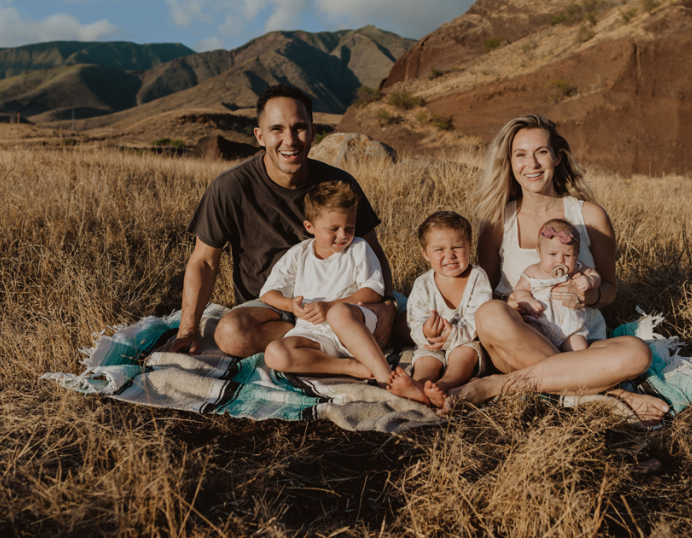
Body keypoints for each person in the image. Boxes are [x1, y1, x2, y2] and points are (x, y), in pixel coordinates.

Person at [442, 114, 669, 425]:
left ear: (558, 157)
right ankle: (612, 393)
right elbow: (485, 290)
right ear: (509, 162)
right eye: (520, 154)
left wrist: (587, 297)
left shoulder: (589, 215)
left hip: (580, 337)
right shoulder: (497, 222)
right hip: (522, 337)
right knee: (490, 314)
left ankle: (499, 386)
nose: (531, 164)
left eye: (541, 152)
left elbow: (610, 291)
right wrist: (511, 303)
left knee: (637, 353)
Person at [163, 84, 397, 357]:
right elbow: (203, 262)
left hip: (341, 302)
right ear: (260, 136)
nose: (290, 139)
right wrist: (188, 331)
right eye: (277, 129)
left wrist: (388, 304)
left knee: (399, 323)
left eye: (298, 127)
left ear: (313, 132)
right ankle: (335, 343)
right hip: (270, 310)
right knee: (230, 334)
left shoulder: (339, 185)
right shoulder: (230, 187)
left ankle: (325, 342)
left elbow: (373, 250)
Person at [260, 181, 393, 382]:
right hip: (314, 333)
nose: (343, 235)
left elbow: (374, 291)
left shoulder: (359, 248)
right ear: (309, 226)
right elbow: (268, 293)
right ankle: (347, 367)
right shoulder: (299, 254)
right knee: (274, 353)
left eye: (350, 227)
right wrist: (290, 305)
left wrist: (330, 306)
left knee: (339, 313)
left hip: (355, 327)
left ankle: (388, 380)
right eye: (333, 228)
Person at [387, 211, 492, 407]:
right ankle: (419, 385)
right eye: (439, 249)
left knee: (464, 355)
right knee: (426, 360)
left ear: (470, 246)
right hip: (432, 344)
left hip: (464, 341)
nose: (449, 255)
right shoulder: (422, 284)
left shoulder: (478, 278)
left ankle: (444, 385)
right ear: (425, 254)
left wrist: (453, 336)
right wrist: (425, 333)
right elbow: (414, 322)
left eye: (457, 247)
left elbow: (477, 318)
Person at [511, 218, 601, 352]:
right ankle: (549, 361)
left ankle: (574, 365)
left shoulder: (576, 268)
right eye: (553, 254)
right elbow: (520, 290)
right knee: (532, 338)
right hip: (541, 323)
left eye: (568, 255)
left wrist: (589, 281)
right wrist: (528, 301)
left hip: (571, 328)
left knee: (580, 348)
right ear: (539, 251)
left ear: (577, 255)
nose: (560, 260)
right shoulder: (533, 271)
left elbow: (595, 276)